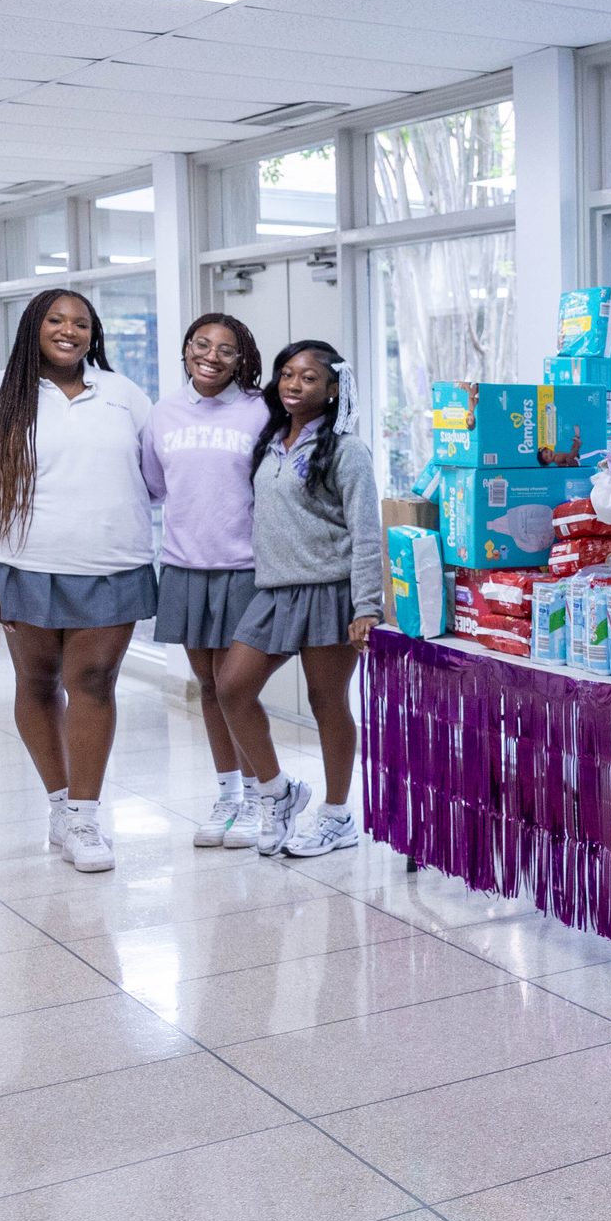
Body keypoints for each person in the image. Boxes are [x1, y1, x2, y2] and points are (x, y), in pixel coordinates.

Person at [0, 289, 156, 873]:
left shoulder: (123, 394)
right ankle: (59, 805)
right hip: (23, 564)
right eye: (57, 320)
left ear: (95, 333)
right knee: (37, 682)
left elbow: (158, 475)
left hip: (113, 563)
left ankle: (85, 816)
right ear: (33, 326)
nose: (70, 330)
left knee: (94, 681)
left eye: (81, 323)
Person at [215, 341, 383, 858]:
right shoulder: (269, 442)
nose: (293, 384)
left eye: (308, 378)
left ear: (333, 389)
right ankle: (276, 792)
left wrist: (367, 606)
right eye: (287, 374)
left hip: (329, 590)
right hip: (273, 591)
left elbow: (366, 531)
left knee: (326, 702)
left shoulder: (347, 450)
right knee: (232, 687)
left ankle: (336, 817)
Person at [142, 314, 270, 849]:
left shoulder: (262, 410)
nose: (211, 356)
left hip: (246, 569)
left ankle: (267, 796)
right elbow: (154, 485)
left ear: (244, 359)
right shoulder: (163, 413)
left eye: (226, 349)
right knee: (210, 688)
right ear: (186, 348)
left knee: (237, 687)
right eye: (201, 344)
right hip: (185, 566)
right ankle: (229, 796)